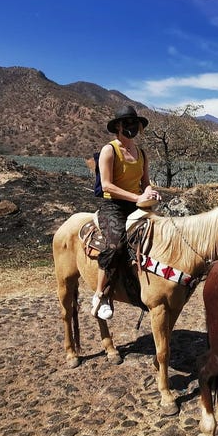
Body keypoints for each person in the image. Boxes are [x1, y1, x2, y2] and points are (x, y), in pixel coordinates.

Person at [91, 105, 161, 320]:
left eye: (135, 123)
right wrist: (137, 198)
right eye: (128, 123)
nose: (132, 127)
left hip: (137, 204)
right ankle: (100, 294)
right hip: (113, 205)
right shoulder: (109, 150)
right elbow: (107, 186)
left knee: (162, 235)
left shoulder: (141, 153)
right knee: (116, 244)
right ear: (119, 126)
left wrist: (151, 192)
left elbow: (146, 183)